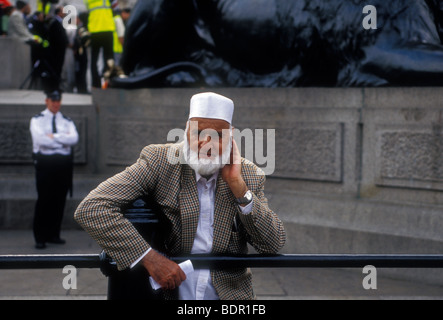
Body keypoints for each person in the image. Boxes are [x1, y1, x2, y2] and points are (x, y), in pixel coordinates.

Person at [75, 92, 286, 300]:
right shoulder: (160, 161)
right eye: (199, 133)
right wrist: (150, 259)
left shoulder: (248, 175)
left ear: (232, 138)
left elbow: (272, 244)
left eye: (219, 136)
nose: (207, 144)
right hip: (171, 294)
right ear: (186, 132)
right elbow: (92, 207)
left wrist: (237, 185)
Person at [30, 90, 79, 249]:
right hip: (46, 163)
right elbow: (40, 140)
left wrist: (54, 137)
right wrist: (62, 140)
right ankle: (40, 236)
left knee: (59, 200)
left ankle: (53, 234)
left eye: (58, 101)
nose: (56, 104)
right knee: (44, 199)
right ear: (47, 101)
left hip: (63, 164)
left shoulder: (66, 120)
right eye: (53, 101)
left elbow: (73, 139)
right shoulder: (37, 120)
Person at [84, 0, 115, 88]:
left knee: (94, 59)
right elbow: (115, 5)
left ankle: (95, 84)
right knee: (109, 58)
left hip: (94, 30)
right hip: (107, 28)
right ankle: (107, 82)